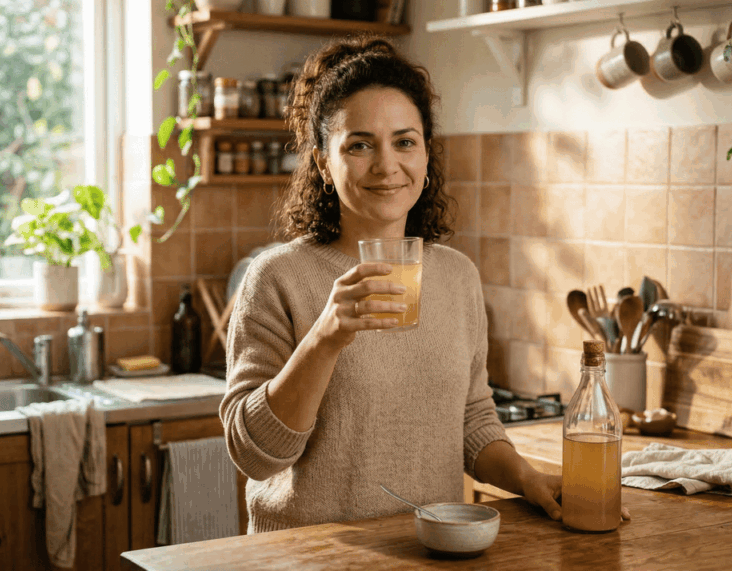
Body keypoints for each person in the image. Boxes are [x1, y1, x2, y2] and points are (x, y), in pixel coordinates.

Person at [221, 35, 564, 534]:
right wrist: (325, 338)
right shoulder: (277, 278)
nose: (386, 165)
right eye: (359, 145)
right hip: (308, 560)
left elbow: (472, 422)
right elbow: (255, 455)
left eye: (405, 141)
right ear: (322, 163)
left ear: (426, 157)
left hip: (434, 551)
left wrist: (528, 479)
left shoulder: (456, 276)